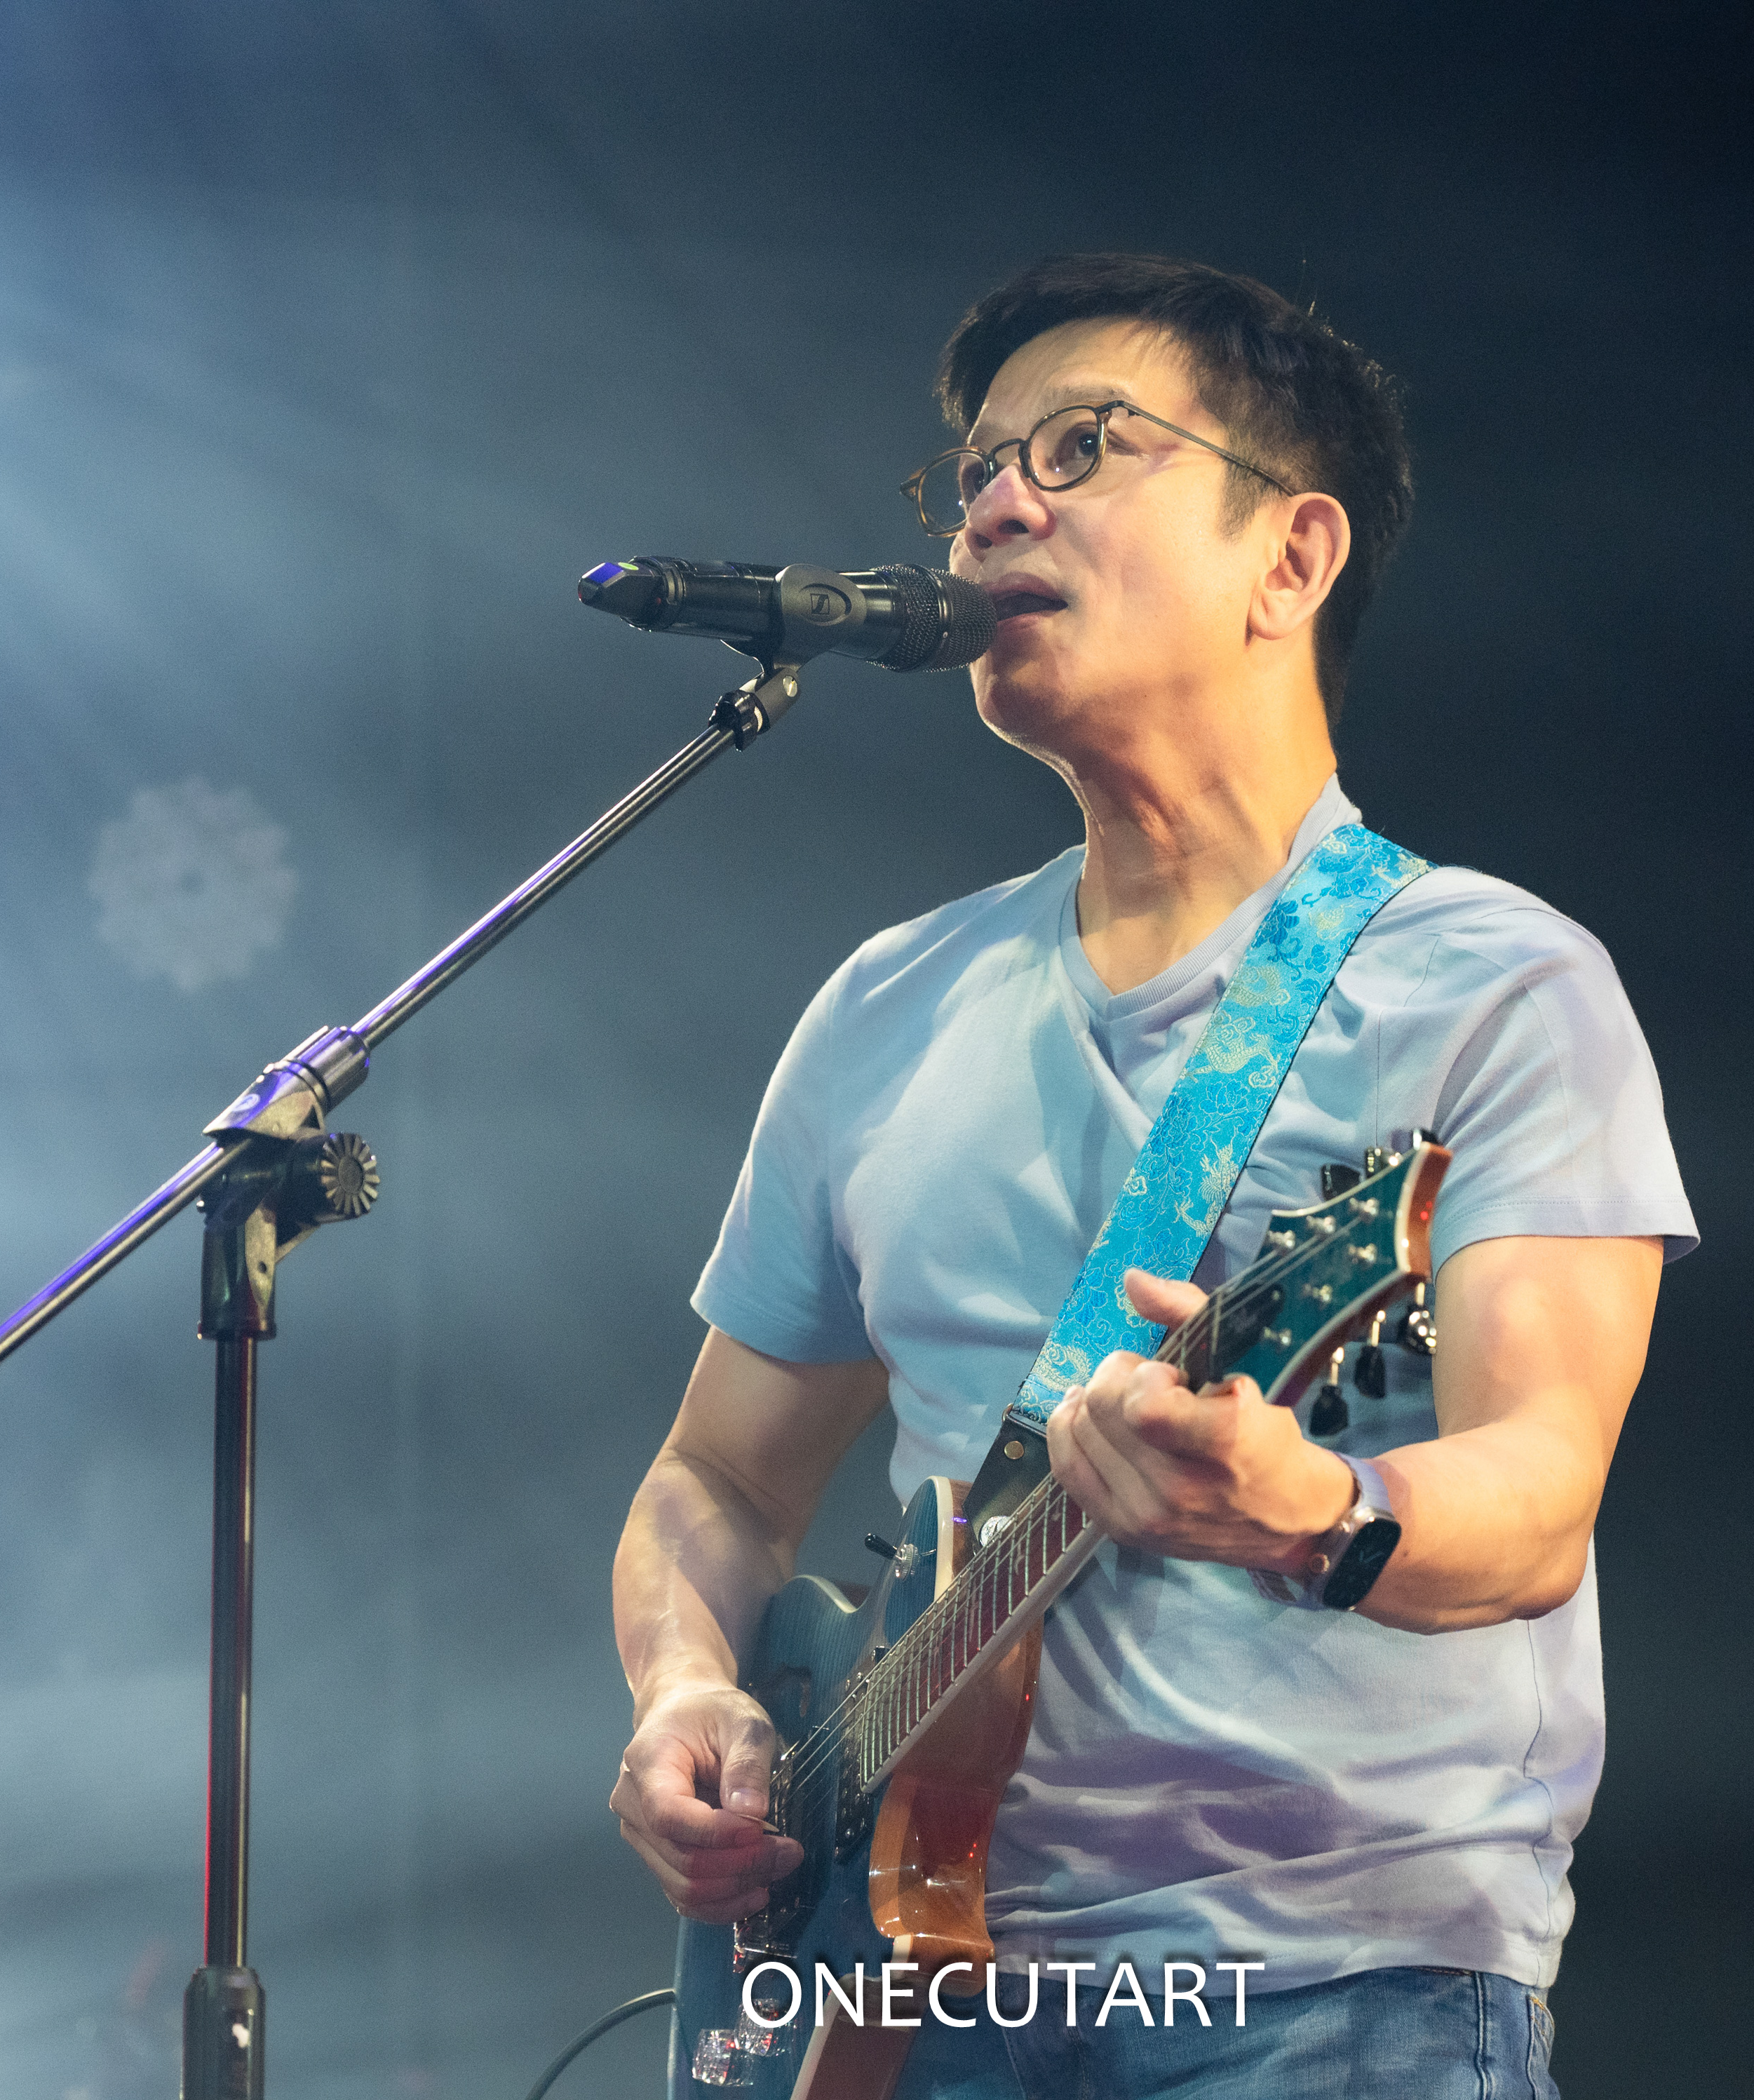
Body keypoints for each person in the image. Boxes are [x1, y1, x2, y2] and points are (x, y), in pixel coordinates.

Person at [609, 253, 1695, 2098]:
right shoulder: (886, 1007)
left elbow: (1537, 1495)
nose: (993, 506)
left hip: (1330, 1988)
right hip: (909, 2005)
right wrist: (689, 1691)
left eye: (1080, 448)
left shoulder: (1496, 986)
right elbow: (714, 1479)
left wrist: (1313, 1505)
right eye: (972, 473)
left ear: (1291, 557)